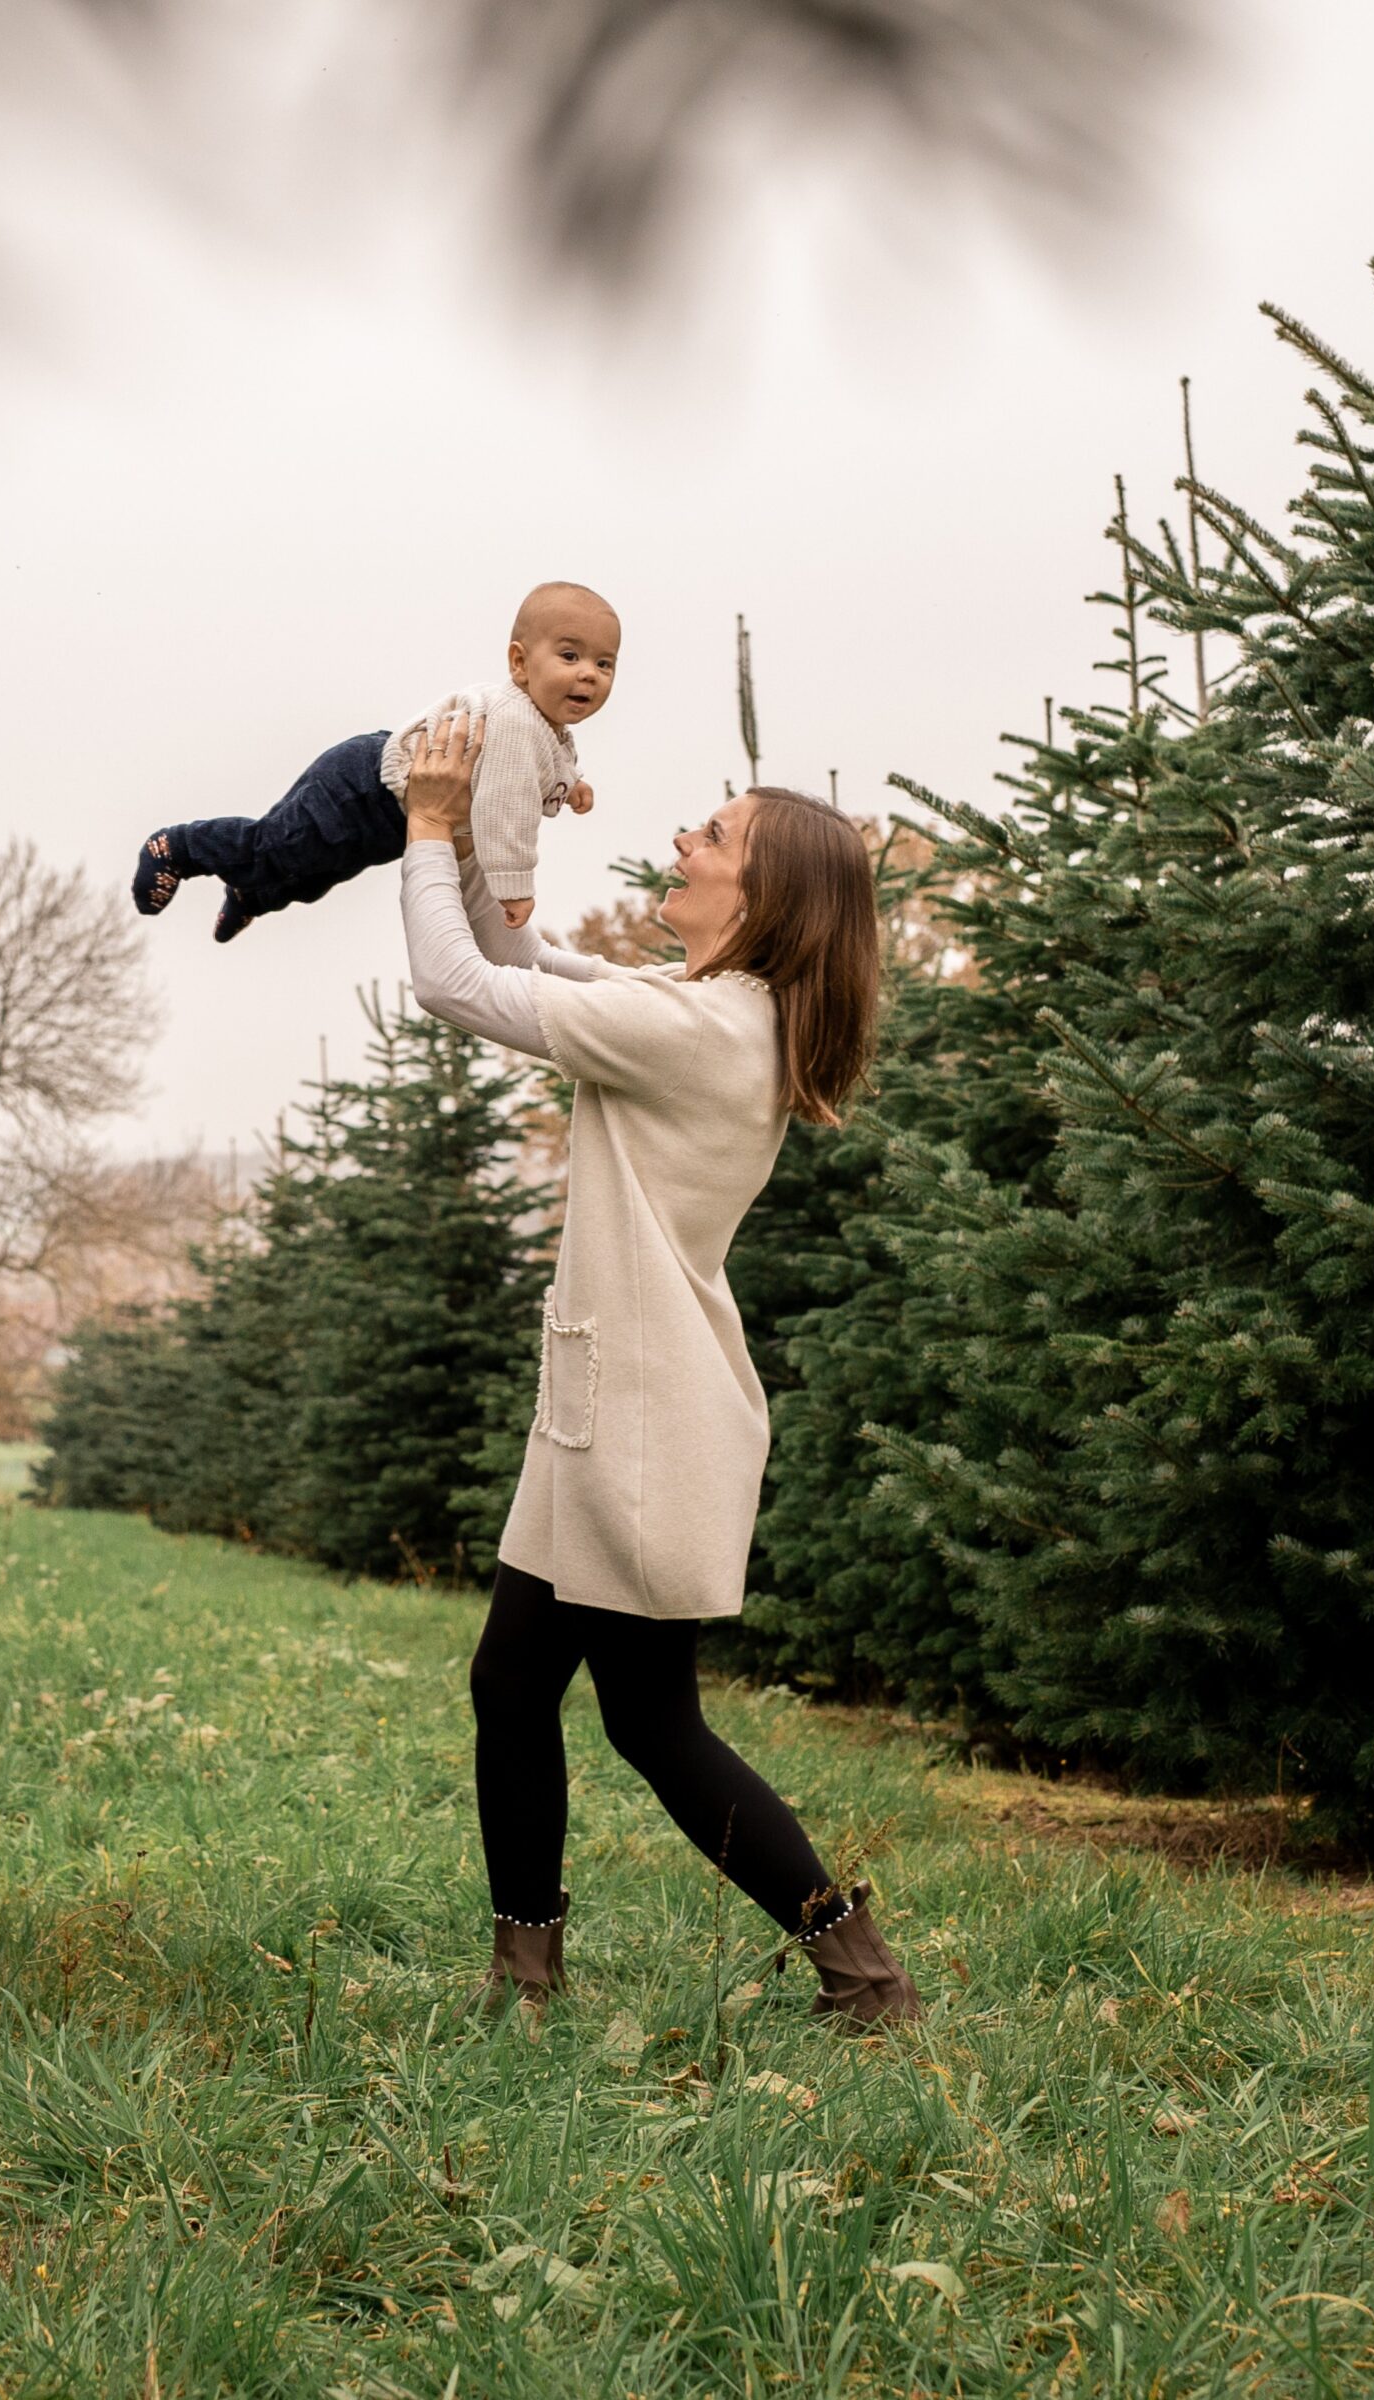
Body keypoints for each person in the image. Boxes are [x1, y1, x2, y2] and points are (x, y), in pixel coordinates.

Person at [398, 706, 922, 2031]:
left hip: (638, 1417)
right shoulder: (701, 1011)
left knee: (640, 1721)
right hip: (609, 1405)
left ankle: (858, 1980)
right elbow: (526, 956)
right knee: (562, 1699)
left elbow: (457, 986)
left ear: (768, 896)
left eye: (716, 837)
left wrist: (422, 823)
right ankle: (555, 1983)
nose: (682, 845)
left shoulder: (696, 1030)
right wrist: (491, 817)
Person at [131, 581, 613, 942]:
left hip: (397, 819)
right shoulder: (513, 720)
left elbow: (549, 762)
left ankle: (249, 895)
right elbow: (506, 811)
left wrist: (572, 784)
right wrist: (514, 886)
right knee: (278, 845)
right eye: (570, 656)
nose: (588, 674)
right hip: (361, 788)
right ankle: (177, 847)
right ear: (520, 663)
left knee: (319, 874)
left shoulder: (545, 730)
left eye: (604, 664)